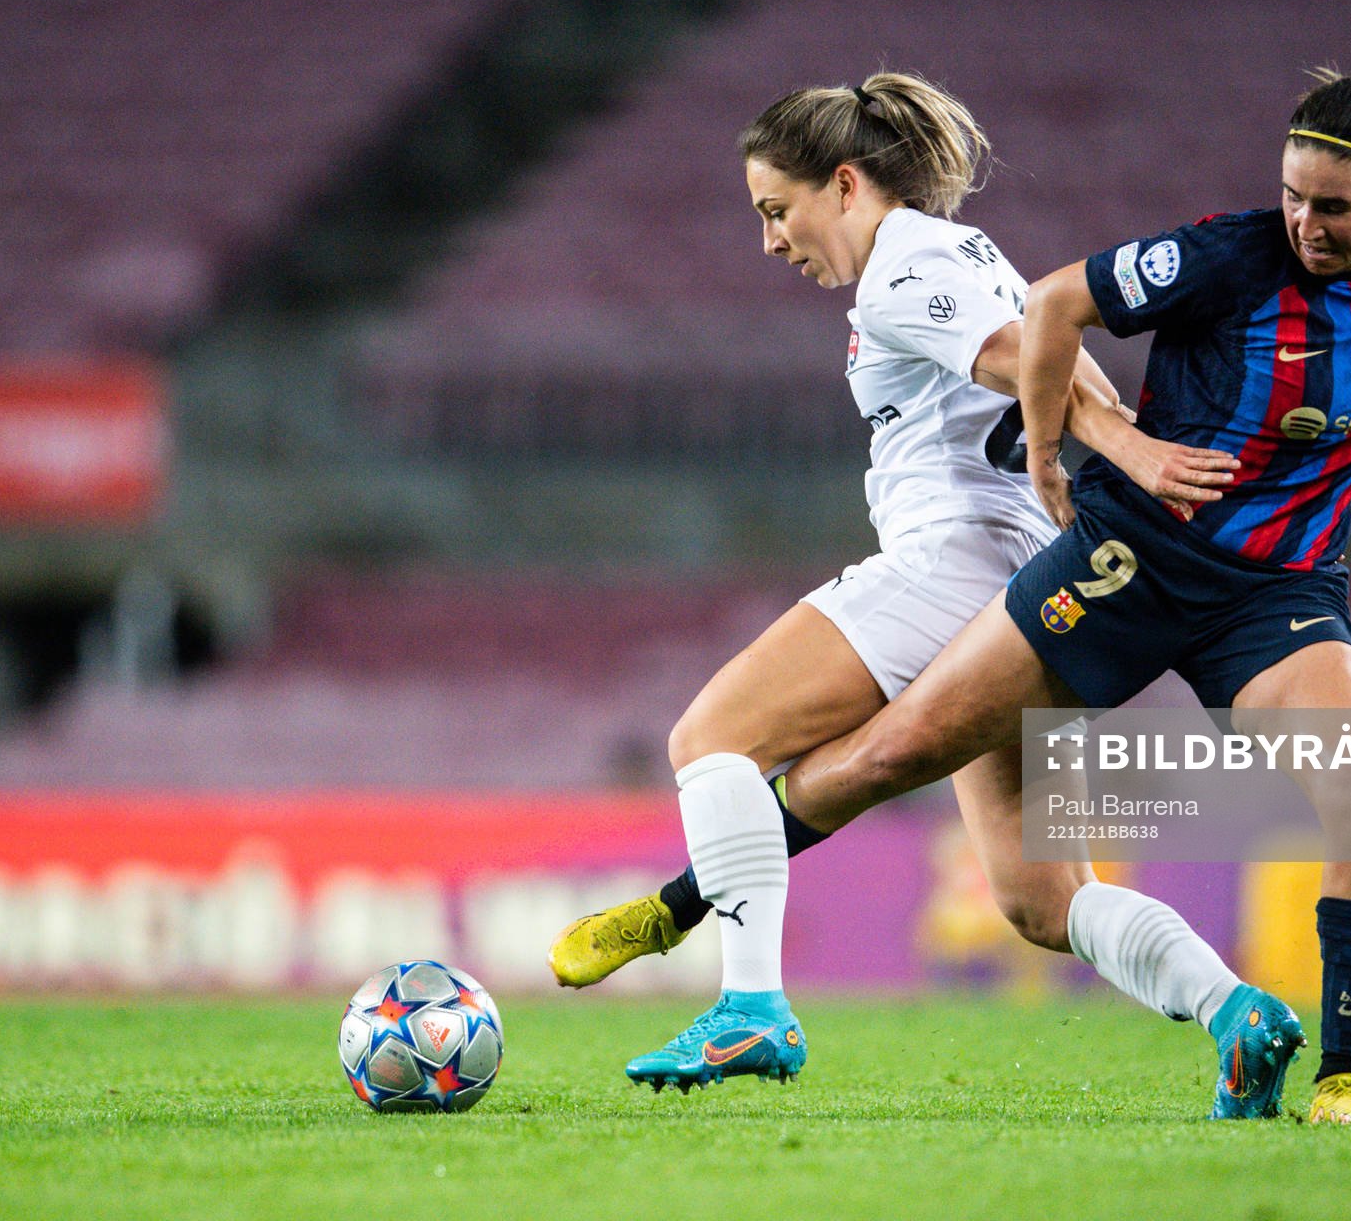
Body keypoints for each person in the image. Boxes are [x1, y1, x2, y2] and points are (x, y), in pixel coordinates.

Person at [684, 16, 1351, 1125]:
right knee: (1025, 882)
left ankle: (1341, 1077)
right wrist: (1083, 452)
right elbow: (1055, 309)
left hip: (1276, 593)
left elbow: (1027, 341)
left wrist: (1095, 442)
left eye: (1331, 205)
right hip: (1130, 561)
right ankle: (1233, 1010)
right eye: (1291, 194)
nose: (1303, 222)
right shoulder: (1230, 251)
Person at [550, 71, 1305, 1118]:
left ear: (846, 182)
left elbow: (1011, 359)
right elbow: (1053, 351)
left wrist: (1123, 448)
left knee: (708, 736)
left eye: (779, 209)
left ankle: (750, 1002)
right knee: (1044, 900)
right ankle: (1236, 1011)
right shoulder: (969, 252)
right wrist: (1089, 445)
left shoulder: (903, 264)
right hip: (1035, 593)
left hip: (957, 560)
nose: (772, 240)